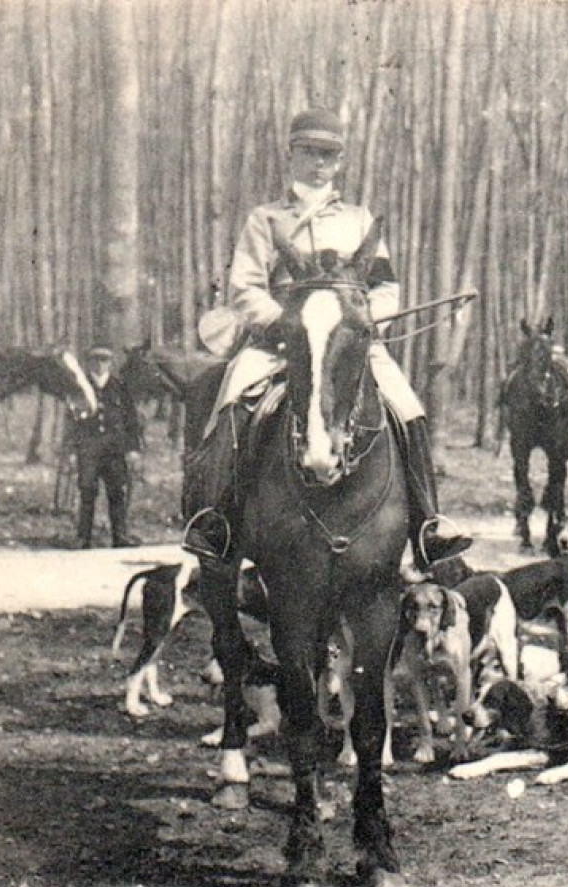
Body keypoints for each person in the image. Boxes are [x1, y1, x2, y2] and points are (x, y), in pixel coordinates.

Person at [181, 107, 471, 570]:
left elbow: (386, 288)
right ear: (291, 156)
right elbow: (245, 287)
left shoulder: (359, 221)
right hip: (277, 344)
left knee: (407, 405)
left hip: (348, 346)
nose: (319, 164)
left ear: (339, 163)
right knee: (232, 399)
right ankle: (217, 519)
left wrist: (361, 323)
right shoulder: (264, 219)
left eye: (329, 156)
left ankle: (427, 525)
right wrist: (283, 325)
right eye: (310, 153)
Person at [70, 345, 144, 549]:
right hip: (89, 449)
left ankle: (120, 536)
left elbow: (131, 420)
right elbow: (72, 422)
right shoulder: (80, 387)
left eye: (105, 360)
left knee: (117, 492)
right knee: (87, 492)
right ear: (89, 362)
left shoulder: (120, 386)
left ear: (111, 363)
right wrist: (71, 452)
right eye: (96, 359)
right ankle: (83, 537)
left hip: (114, 450)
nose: (100, 364)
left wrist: (133, 449)